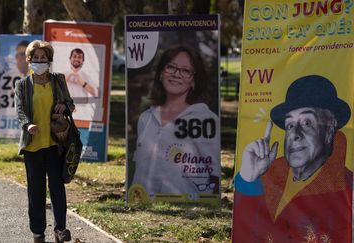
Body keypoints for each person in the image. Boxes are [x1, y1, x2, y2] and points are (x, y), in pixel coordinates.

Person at [233, 75, 352, 242]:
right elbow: (247, 233)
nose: (294, 134)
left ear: (330, 127)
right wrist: (248, 179)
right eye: (289, 125)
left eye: (306, 123)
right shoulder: (267, 176)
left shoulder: (347, 189)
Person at [130, 46, 220, 201]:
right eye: (171, 67)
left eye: (186, 71)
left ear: (194, 81)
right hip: (142, 209)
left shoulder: (205, 119)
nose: (176, 74)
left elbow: (214, 172)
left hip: (185, 211)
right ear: (161, 73)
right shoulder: (145, 118)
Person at [14, 40, 75, 243]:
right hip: (33, 146)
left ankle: (60, 229)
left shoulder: (58, 80)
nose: (40, 61)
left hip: (55, 144)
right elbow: (20, 111)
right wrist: (27, 125)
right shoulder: (22, 85)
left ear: (49, 60)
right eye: (36, 57)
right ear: (29, 60)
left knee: (57, 188)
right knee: (36, 191)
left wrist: (64, 106)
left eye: (44, 57)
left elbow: (70, 104)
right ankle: (38, 232)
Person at [0, 40, 30, 108]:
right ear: (16, 56)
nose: (24, 57)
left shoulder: (38, 76)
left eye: (27, 54)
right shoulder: (6, 76)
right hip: (11, 116)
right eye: (22, 54)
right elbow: (3, 101)